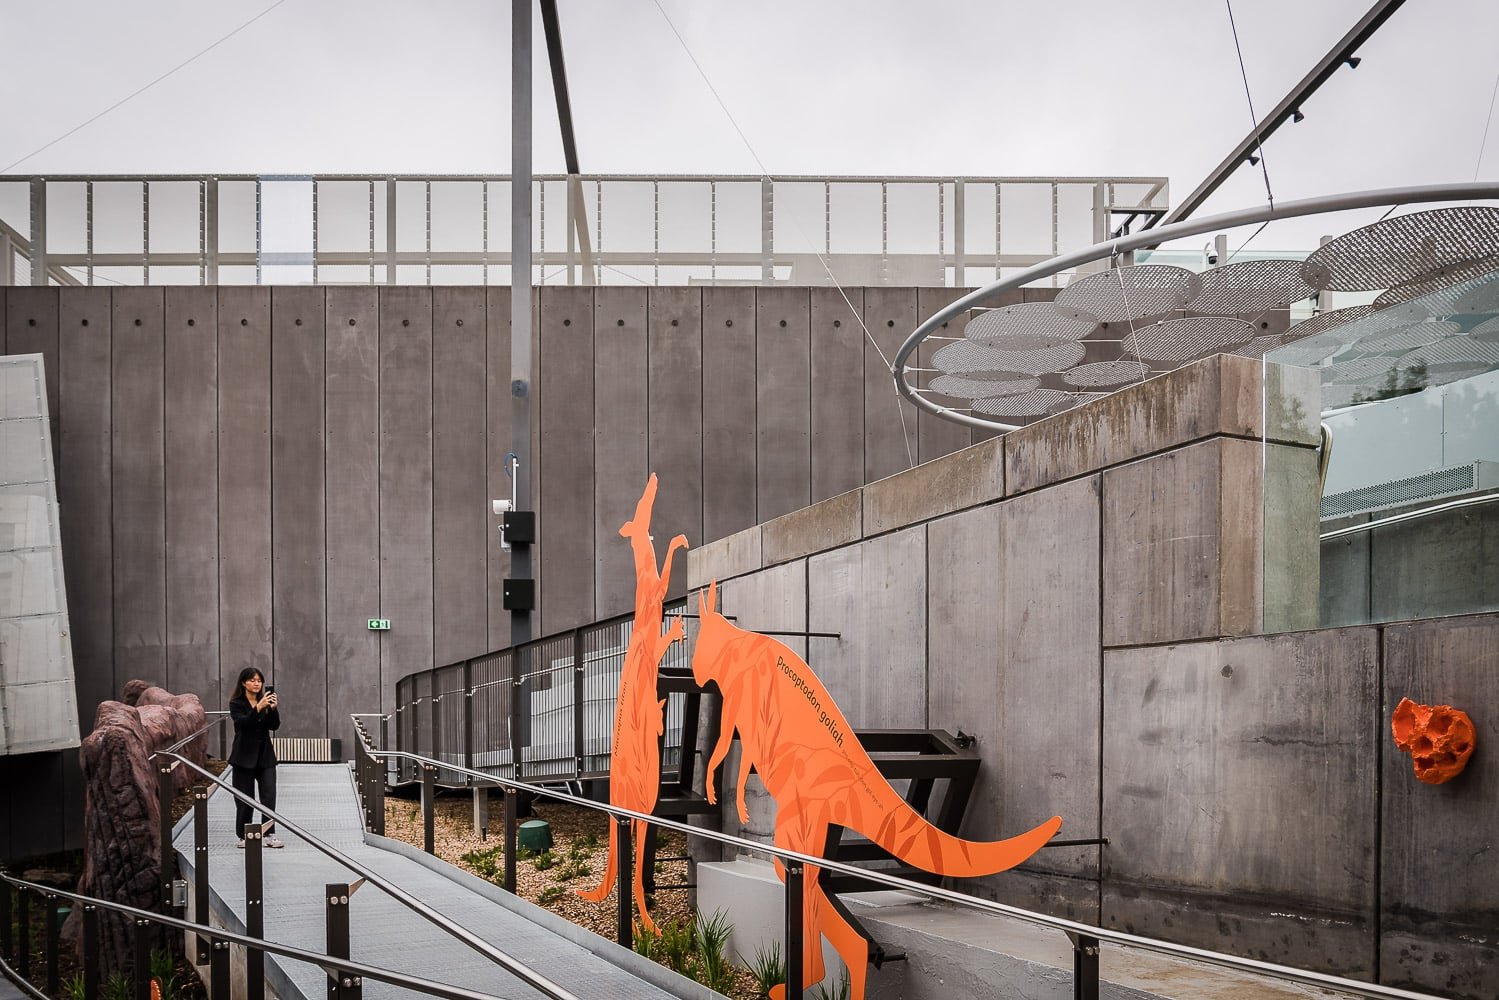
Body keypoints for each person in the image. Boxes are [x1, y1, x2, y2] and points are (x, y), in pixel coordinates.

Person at [228, 667, 284, 848]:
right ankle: (244, 835)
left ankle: (268, 833)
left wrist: (273, 709)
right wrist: (258, 708)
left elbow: (274, 726)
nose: (256, 683)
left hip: (265, 756)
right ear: (244, 683)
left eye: (259, 681)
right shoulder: (236, 703)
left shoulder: (265, 701)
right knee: (245, 798)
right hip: (243, 756)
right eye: (252, 680)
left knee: (269, 795)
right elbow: (242, 724)